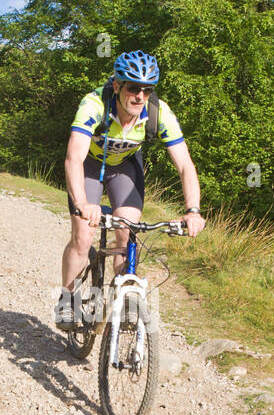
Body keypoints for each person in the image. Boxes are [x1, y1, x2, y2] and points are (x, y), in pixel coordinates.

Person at [54, 50, 205, 329]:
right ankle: (68, 301)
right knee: (83, 234)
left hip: (123, 168)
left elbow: (185, 164)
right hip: (89, 165)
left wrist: (192, 210)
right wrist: (83, 204)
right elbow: (73, 157)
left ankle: (122, 299)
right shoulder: (94, 104)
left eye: (147, 90)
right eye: (133, 88)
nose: (140, 96)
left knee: (127, 233)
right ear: (117, 86)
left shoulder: (159, 113)